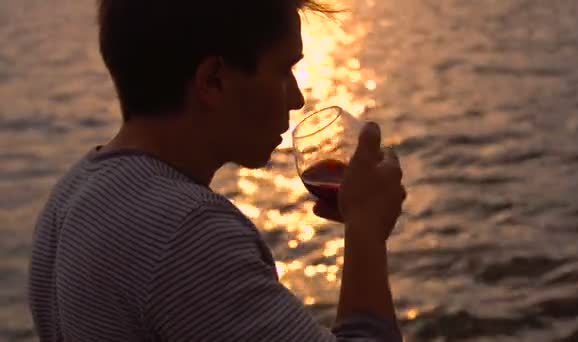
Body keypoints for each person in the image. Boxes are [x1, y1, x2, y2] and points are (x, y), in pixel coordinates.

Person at [27, 0, 407, 341]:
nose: (297, 97)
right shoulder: (185, 231)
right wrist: (367, 231)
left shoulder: (70, 195)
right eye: (283, 71)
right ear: (213, 81)